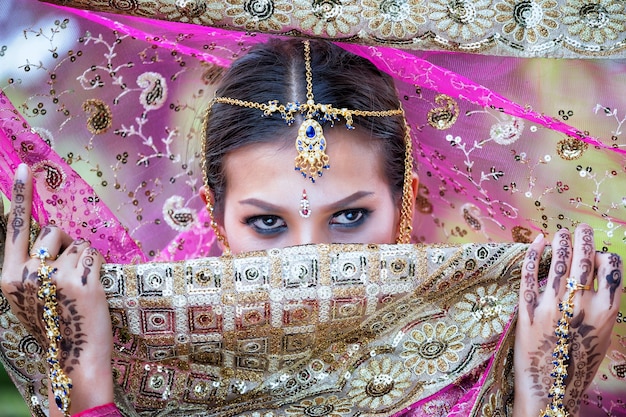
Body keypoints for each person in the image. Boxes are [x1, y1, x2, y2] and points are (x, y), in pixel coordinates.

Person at [1, 39, 622, 417]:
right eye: (267, 223)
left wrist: (544, 391)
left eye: (349, 217)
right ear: (218, 220)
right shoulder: (153, 350)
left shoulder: (486, 340)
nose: (309, 261)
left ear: (407, 201)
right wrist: (81, 369)